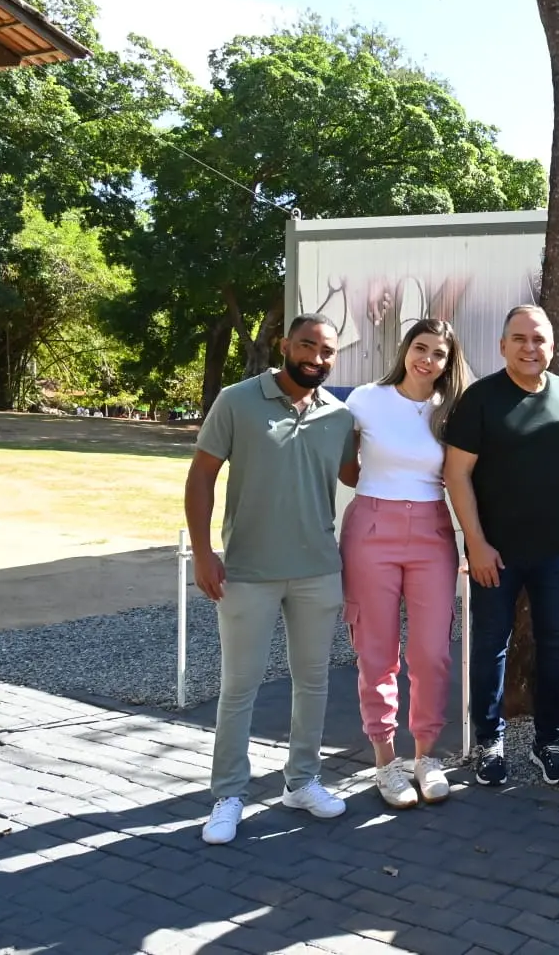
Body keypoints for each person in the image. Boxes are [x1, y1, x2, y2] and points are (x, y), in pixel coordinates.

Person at [185, 313, 357, 845]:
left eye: (327, 351)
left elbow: (362, 472)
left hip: (317, 571)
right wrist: (203, 552)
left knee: (314, 682)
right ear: (285, 345)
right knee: (239, 687)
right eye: (307, 346)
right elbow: (201, 477)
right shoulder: (237, 401)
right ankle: (229, 794)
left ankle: (301, 782)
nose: (317, 358)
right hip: (247, 572)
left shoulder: (340, 415)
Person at [444, 305, 559, 787]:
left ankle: (550, 741)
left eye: (539, 339)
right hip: (494, 553)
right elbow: (456, 474)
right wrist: (475, 544)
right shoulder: (479, 399)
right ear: (502, 345)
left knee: (557, 646)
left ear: (552, 346)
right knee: (489, 647)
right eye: (519, 339)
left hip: (556, 551)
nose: (530, 348)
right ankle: (489, 742)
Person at [339, 319, 470, 808]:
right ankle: (385, 761)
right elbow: (346, 465)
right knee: (376, 649)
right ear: (406, 349)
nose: (428, 360)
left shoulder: (452, 409)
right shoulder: (366, 399)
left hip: (433, 532)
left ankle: (426, 756)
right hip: (372, 525)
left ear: (448, 362)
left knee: (431, 651)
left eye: (439, 354)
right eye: (421, 348)